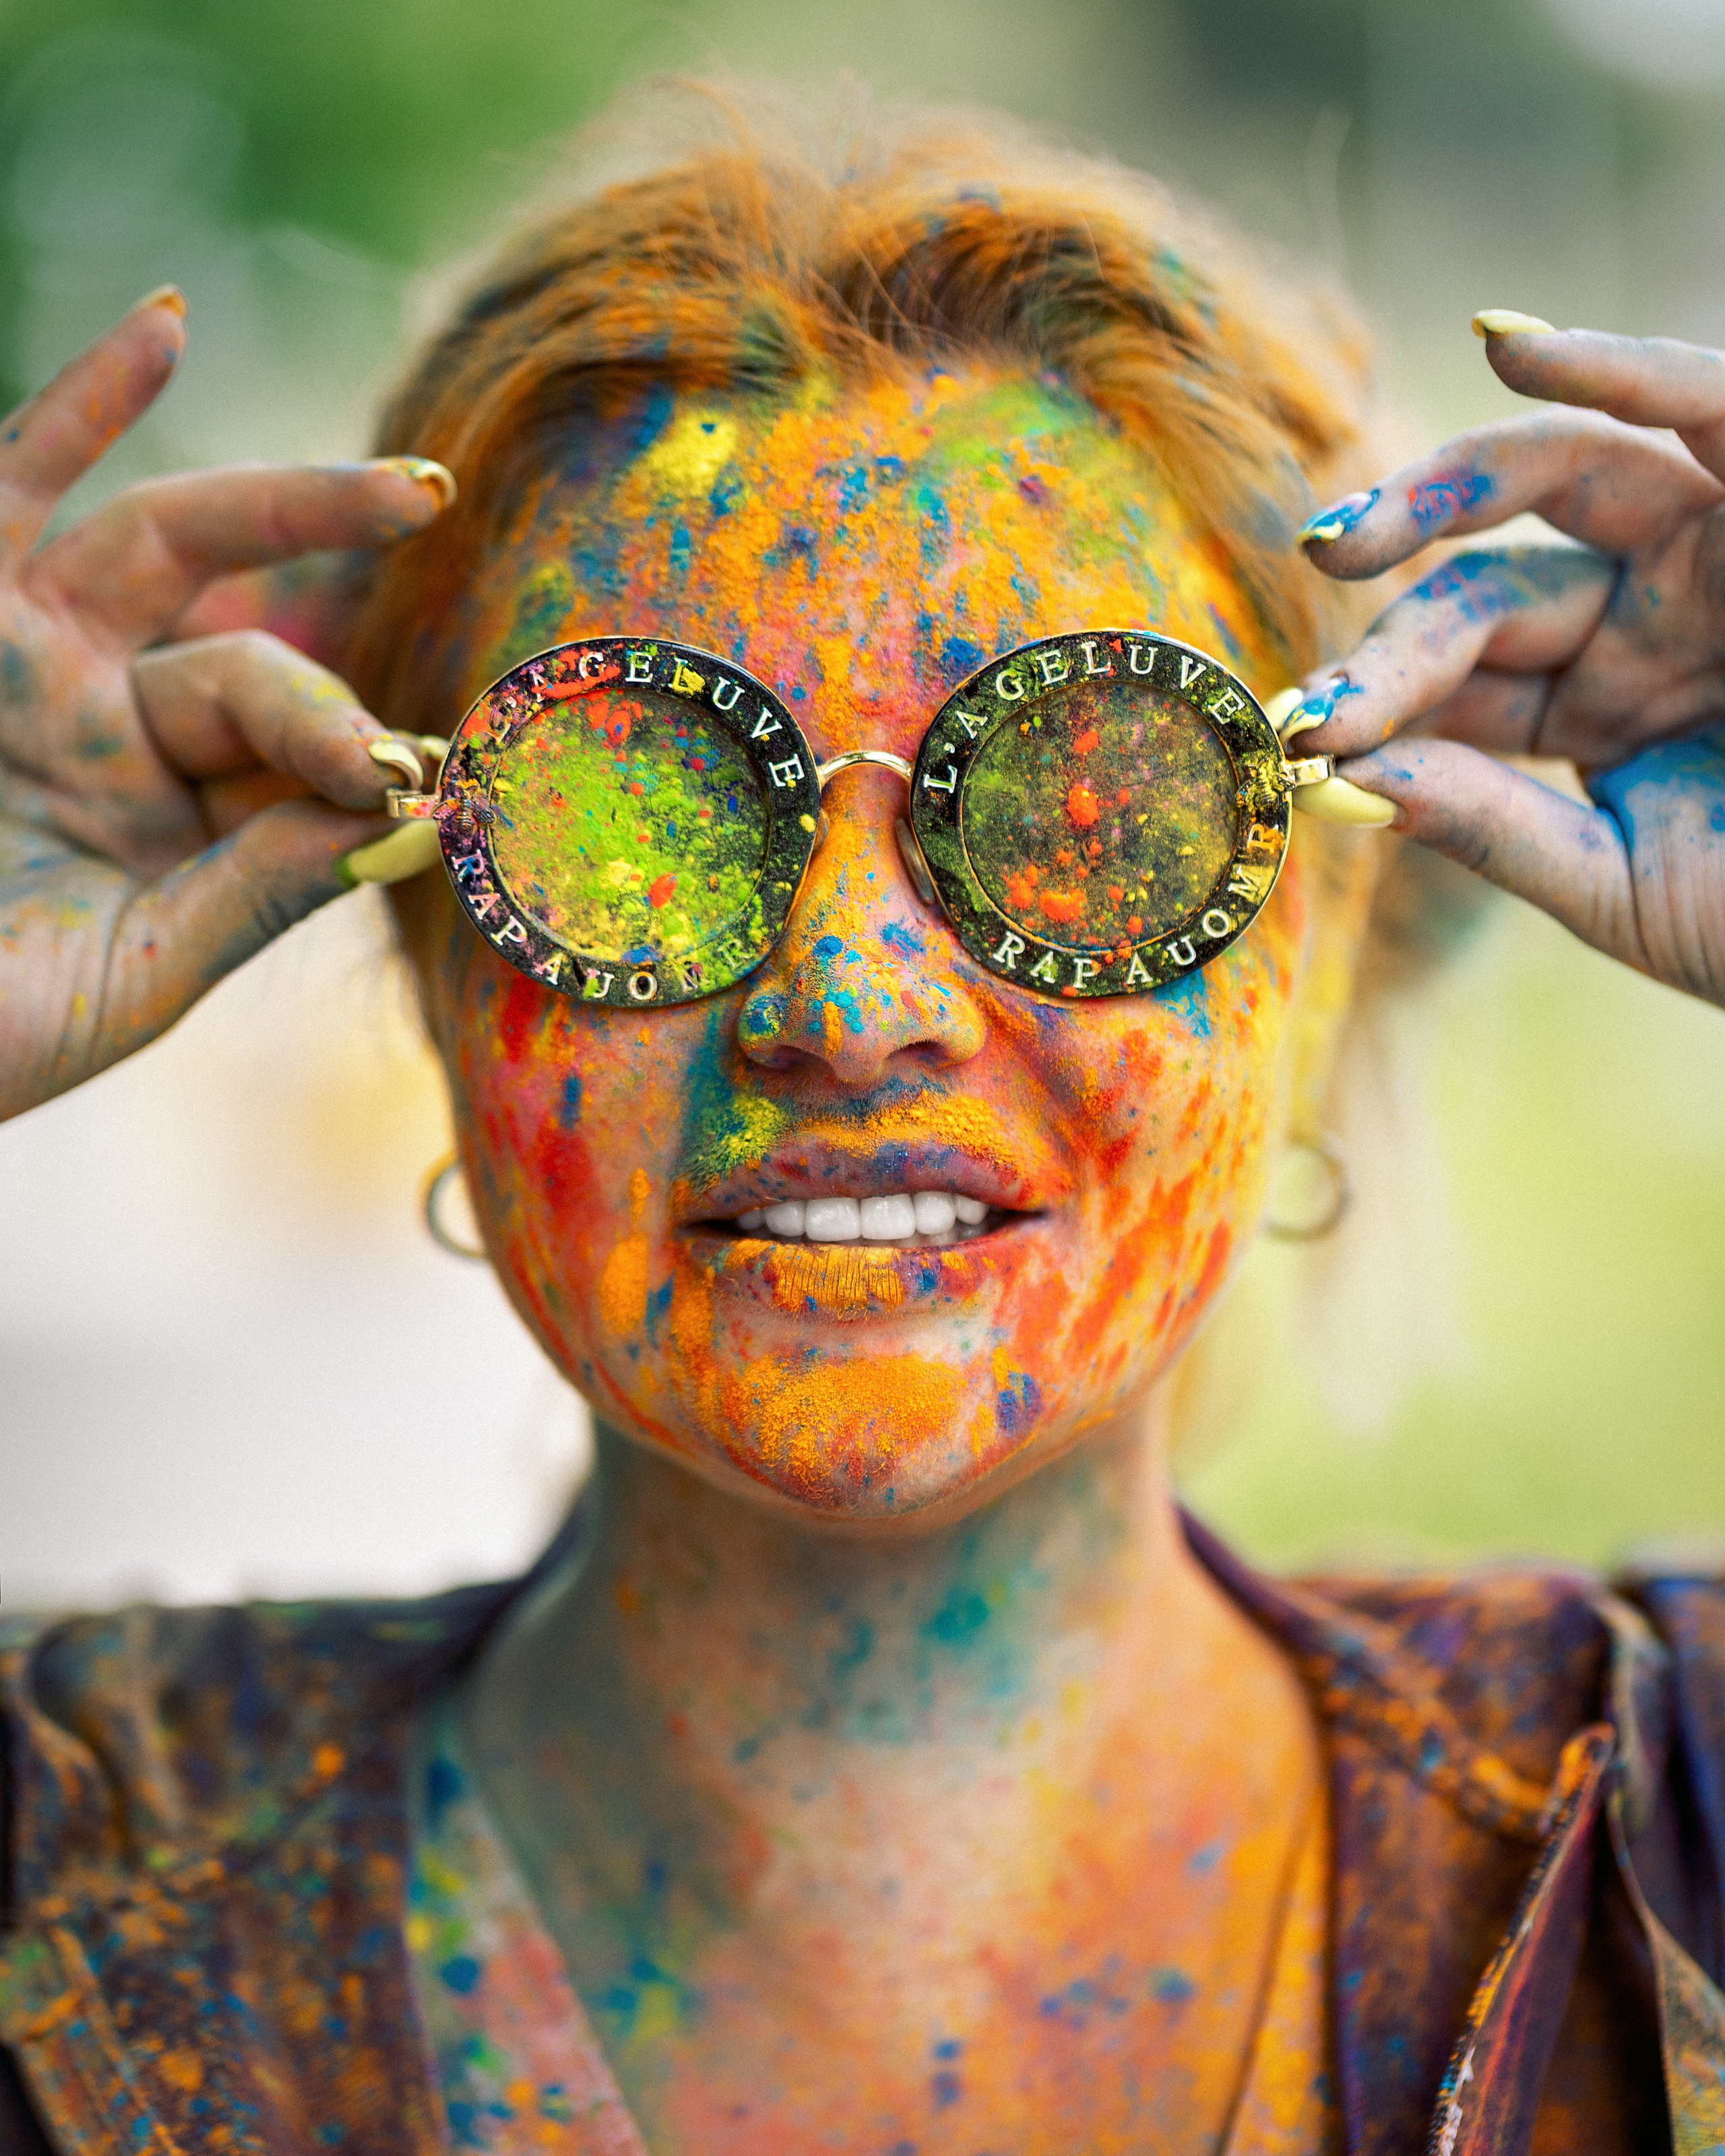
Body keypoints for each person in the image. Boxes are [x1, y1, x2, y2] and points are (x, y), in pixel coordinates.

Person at [1, 88, 1722, 2156]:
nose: (852, 1004)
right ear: (431, 957)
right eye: (628, 816)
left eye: (1096, 805)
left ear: (1328, 926)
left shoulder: (1682, 1824)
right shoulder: (64, 1866)